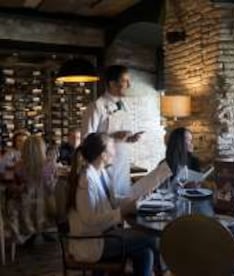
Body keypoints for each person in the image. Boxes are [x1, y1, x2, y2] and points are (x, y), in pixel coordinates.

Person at [67, 133, 155, 276]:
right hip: (91, 242)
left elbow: (111, 201)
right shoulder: (86, 180)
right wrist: (121, 212)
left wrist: (138, 197)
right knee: (149, 239)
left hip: (103, 236)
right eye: (112, 147)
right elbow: (90, 220)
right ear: (103, 155)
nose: (115, 151)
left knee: (145, 253)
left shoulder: (101, 173)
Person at [81, 65, 142, 196]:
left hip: (123, 165)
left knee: (123, 203)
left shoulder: (124, 106)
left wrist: (130, 139)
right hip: (104, 167)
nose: (129, 85)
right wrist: (112, 137)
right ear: (112, 84)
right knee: (108, 205)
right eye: (125, 81)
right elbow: (87, 140)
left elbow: (121, 135)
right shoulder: (96, 107)